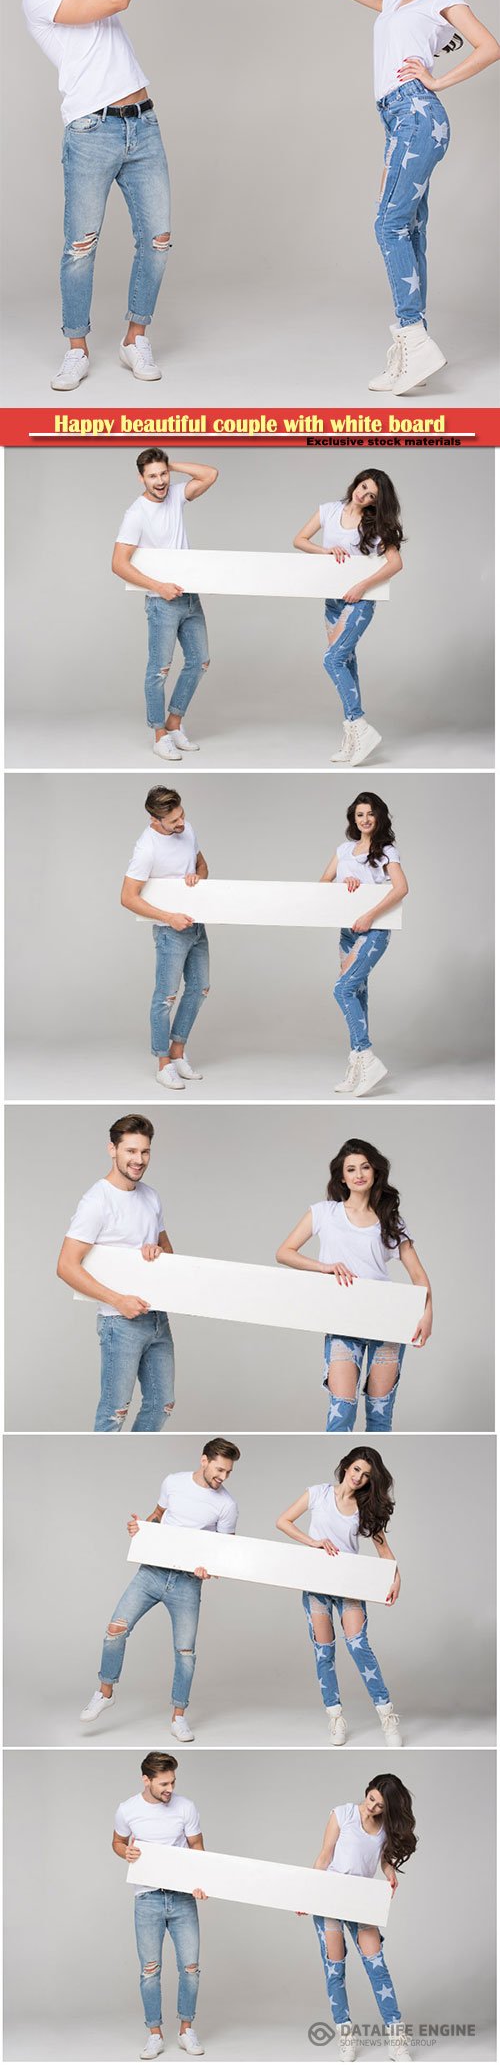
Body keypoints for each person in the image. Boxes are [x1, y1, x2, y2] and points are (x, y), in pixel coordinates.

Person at [324, 0, 500, 392]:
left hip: (417, 114)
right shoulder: (392, 3)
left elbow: (489, 46)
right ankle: (413, 344)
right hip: (397, 120)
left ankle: (414, 338)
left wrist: (438, 79)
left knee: (389, 225)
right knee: (408, 226)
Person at [15, 0, 171, 389]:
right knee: (80, 247)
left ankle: (135, 339)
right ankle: (76, 347)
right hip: (91, 131)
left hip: (142, 124)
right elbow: (114, 1)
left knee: (157, 240)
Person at [81, 1439, 240, 1741]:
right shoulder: (174, 1482)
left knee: (185, 1652)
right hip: (151, 1573)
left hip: (186, 1583)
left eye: (229, 1472)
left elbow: (224, 1552)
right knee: (115, 1629)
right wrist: (140, 1527)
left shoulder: (226, 1504)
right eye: (220, 1469)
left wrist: (211, 1569)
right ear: (204, 1460)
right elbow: (156, 1515)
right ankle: (105, 1693)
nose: (223, 1477)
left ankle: (178, 1717)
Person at [276, 1134, 432, 1434]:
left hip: (388, 1321)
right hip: (342, 1320)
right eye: (351, 1169)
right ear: (342, 1177)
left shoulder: (390, 1220)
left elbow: (419, 1276)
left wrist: (427, 1313)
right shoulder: (324, 1212)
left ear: (375, 1172)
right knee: (340, 1415)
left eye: (365, 1167)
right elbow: (284, 1253)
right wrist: (324, 1267)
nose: (359, 1174)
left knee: (380, 1417)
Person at [56, 1112, 175, 1432]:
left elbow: (169, 1252)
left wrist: (157, 1252)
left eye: (145, 1151)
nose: (139, 1159)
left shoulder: (151, 1196)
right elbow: (65, 1265)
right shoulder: (97, 1200)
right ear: (113, 1150)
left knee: (161, 1405)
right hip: (119, 1322)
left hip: (157, 1317)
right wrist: (118, 1300)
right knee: (114, 1411)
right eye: (131, 1151)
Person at [277, 1447, 402, 1746]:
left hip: (349, 1585)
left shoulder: (366, 1507)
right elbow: (283, 1521)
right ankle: (335, 1717)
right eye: (356, 1469)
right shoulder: (318, 1494)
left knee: (358, 1646)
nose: (359, 1478)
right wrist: (314, 1542)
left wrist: (396, 1577)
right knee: (324, 1653)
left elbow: (384, 1551)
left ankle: (387, 1717)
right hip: (317, 1584)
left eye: (366, 1475)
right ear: (346, 1466)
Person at [112, 449, 218, 760]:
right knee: (159, 670)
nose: (159, 481)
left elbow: (210, 474)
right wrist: (159, 587)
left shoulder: (174, 495)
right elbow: (118, 564)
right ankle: (159, 734)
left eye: (163, 474)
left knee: (200, 661)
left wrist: (170, 465)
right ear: (140, 478)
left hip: (189, 596)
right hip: (162, 602)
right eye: (152, 475)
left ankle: (174, 724)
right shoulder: (136, 514)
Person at [293, 469, 403, 763]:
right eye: (363, 487)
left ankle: (360, 725)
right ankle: (353, 738)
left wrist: (362, 585)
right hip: (333, 601)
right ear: (357, 482)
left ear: (375, 502)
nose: (363, 495)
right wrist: (325, 551)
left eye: (371, 496)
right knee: (347, 662)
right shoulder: (328, 510)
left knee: (333, 659)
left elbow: (395, 564)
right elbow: (299, 540)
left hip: (360, 601)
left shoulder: (376, 524)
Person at [305, 1776, 417, 2063]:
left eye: (380, 1807)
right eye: (371, 1800)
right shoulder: (342, 1813)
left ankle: (397, 2039)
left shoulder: (383, 1828)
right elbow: (324, 1857)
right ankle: (346, 2036)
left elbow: (382, 1859)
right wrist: (305, 1895)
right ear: (367, 1792)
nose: (373, 1808)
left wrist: (391, 1874)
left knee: (377, 1968)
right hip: (330, 1896)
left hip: (361, 1900)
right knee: (335, 1969)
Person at [112, 1749, 207, 2060]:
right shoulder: (127, 1809)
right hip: (147, 1899)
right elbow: (117, 1841)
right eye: (164, 1784)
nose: (170, 1789)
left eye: (173, 1783)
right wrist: (123, 1852)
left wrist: (203, 1880)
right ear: (146, 1780)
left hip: (182, 1898)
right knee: (150, 1971)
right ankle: (154, 2034)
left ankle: (186, 2031)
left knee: (190, 1968)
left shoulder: (186, 1807)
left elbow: (196, 1847)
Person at [121, 787, 209, 1091]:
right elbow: (127, 897)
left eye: (182, 814)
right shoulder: (147, 849)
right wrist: (169, 918)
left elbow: (202, 865)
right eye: (173, 820)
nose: (181, 823)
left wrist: (197, 876)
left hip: (197, 923)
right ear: (155, 820)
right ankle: (163, 1065)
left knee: (199, 989)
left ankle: (178, 1053)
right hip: (170, 930)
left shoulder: (188, 828)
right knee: (165, 997)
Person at [321, 792, 408, 1095]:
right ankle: (357, 1065)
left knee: (342, 989)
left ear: (379, 816)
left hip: (374, 930)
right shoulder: (344, 850)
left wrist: (370, 915)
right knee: (357, 993)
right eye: (360, 814)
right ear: (353, 818)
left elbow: (401, 889)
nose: (365, 819)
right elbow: (321, 884)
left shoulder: (386, 851)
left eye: (370, 814)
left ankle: (367, 1057)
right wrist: (343, 884)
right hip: (348, 932)